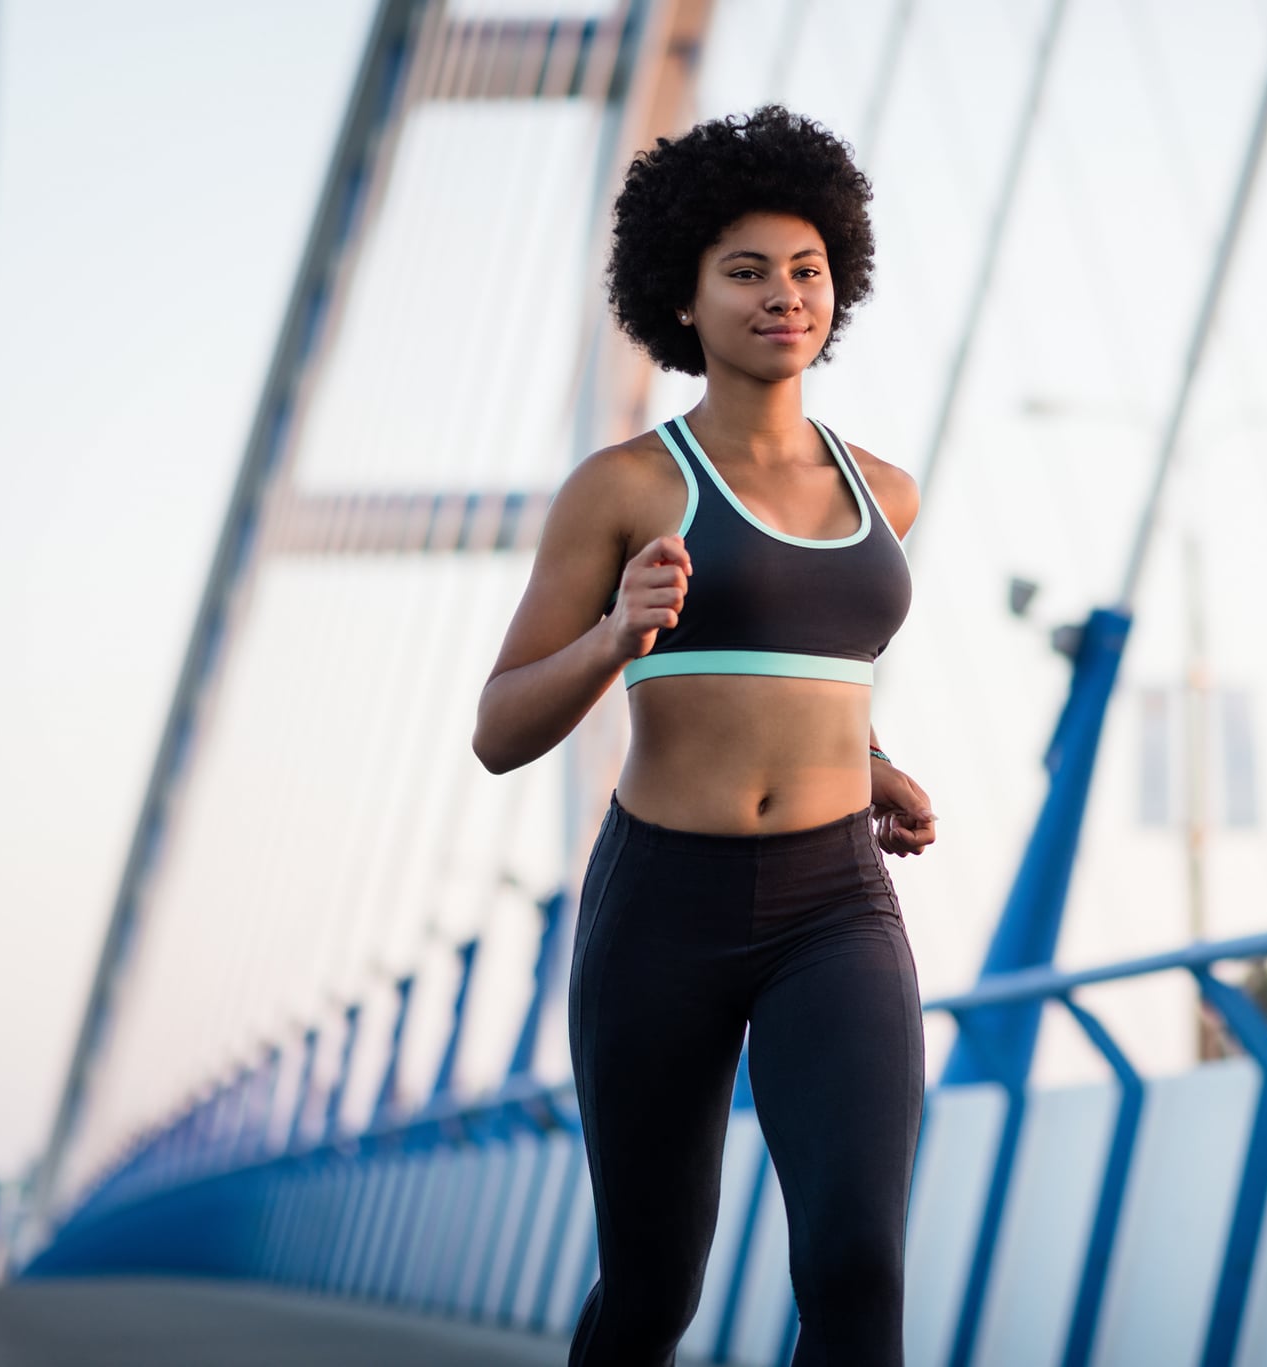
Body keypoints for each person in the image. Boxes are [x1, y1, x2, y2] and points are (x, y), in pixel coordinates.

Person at [472, 105, 936, 1367]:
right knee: (649, 1290)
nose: (783, 297)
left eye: (806, 270)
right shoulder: (623, 486)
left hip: (833, 907)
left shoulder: (883, 491)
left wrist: (876, 767)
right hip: (661, 910)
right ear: (681, 296)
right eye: (745, 272)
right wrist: (612, 638)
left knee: (854, 1265)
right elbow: (499, 729)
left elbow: (802, 675)